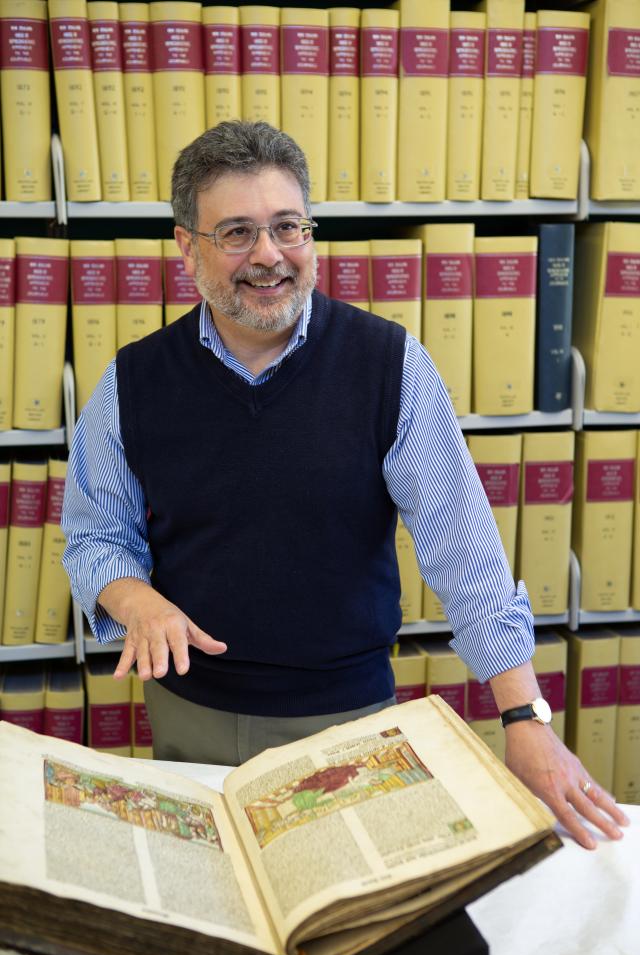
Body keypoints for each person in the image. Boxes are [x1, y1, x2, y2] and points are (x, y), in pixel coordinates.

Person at [62, 120, 628, 851]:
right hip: (188, 715)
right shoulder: (130, 381)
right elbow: (96, 534)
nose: (268, 255)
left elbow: (467, 557)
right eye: (236, 232)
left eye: (287, 227)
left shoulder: (390, 366)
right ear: (186, 247)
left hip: (348, 724)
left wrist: (522, 718)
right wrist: (132, 597)